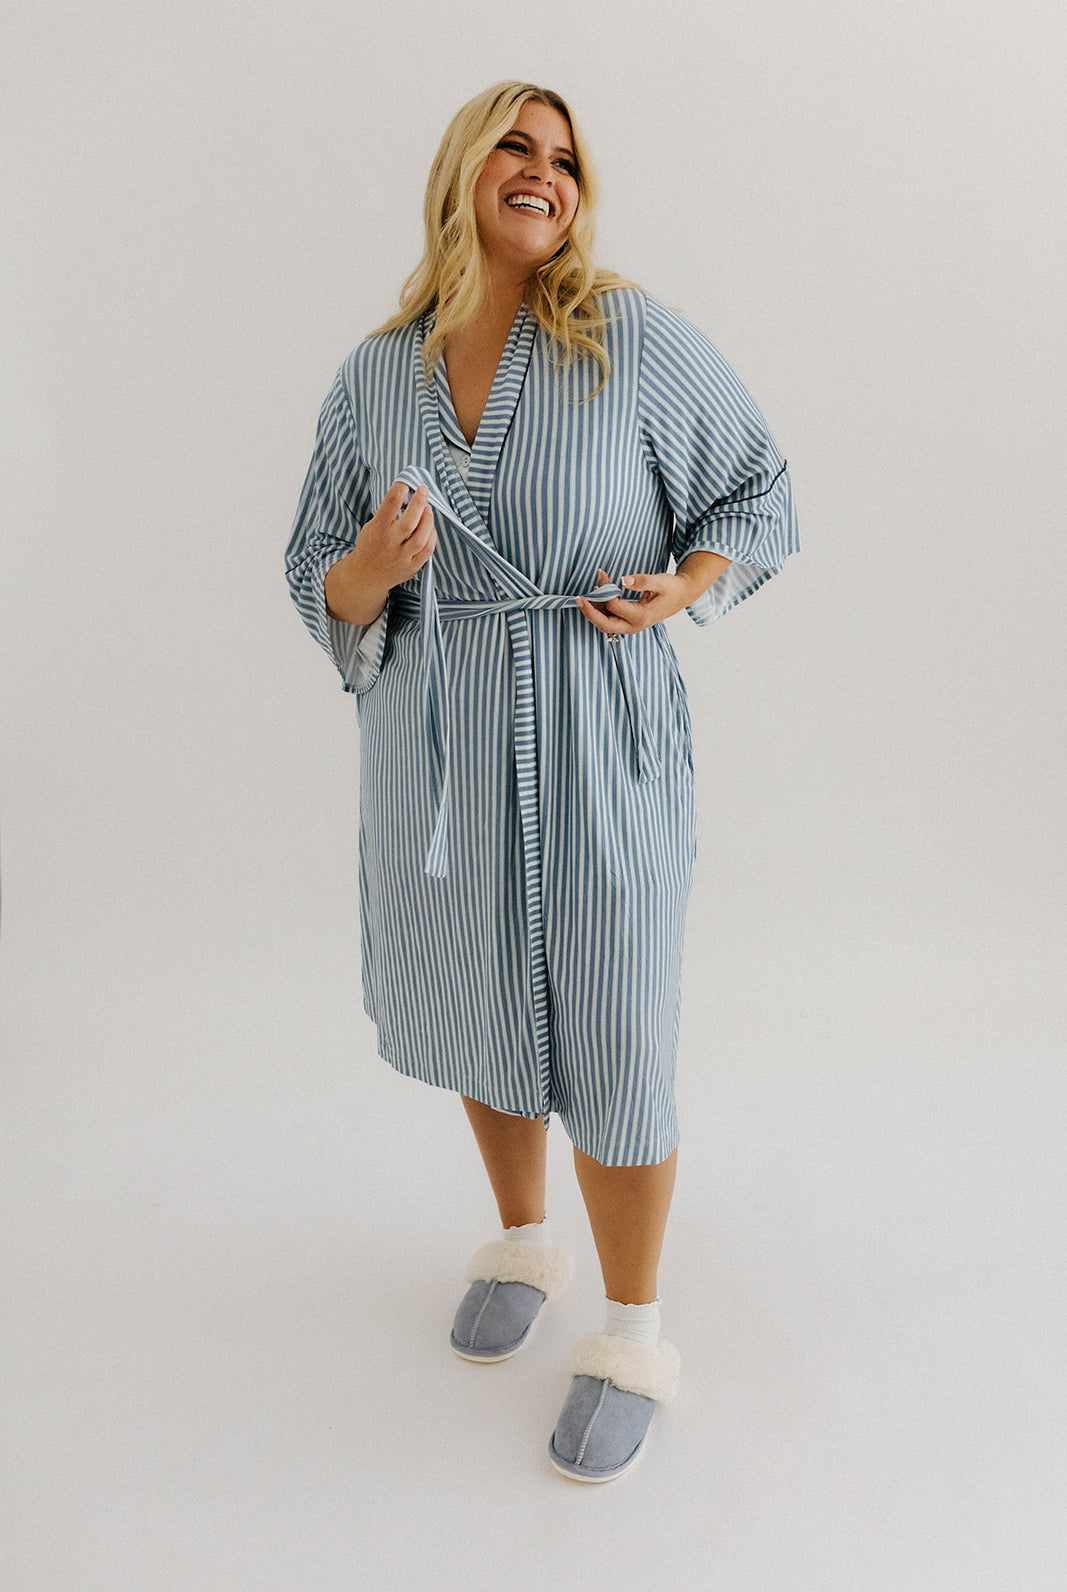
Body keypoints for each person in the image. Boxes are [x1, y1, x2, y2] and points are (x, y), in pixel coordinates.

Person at [285, 80, 800, 1483]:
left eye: (565, 156)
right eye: (515, 144)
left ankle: (631, 1329)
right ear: (463, 168)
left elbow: (759, 493)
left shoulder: (628, 339)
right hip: (441, 745)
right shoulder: (377, 372)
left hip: (598, 734)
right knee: (484, 991)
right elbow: (312, 573)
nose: (542, 170)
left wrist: (683, 585)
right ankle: (523, 1239)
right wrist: (374, 572)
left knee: (619, 1034)